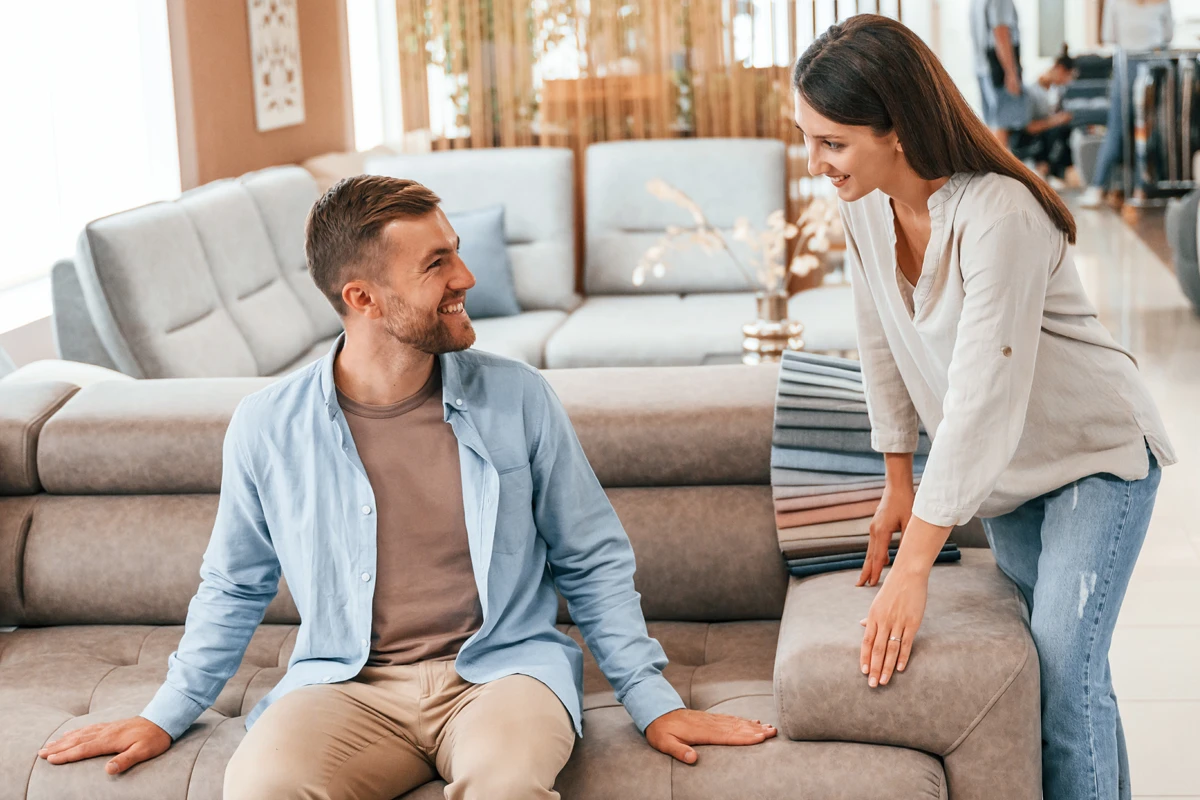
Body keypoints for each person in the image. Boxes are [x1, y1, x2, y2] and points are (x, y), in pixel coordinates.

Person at [34, 175, 776, 798]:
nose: (466, 278)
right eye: (438, 264)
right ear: (363, 298)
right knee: (259, 786)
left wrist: (651, 702)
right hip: (347, 688)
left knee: (508, 786)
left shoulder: (518, 399)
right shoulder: (267, 428)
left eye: (455, 253)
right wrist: (167, 712)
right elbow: (233, 586)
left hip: (502, 676)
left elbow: (590, 558)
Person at [792, 15, 1174, 800]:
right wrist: (898, 480)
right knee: (1060, 672)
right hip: (1008, 478)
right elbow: (880, 342)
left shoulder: (999, 214)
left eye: (831, 141)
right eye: (807, 138)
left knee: (1067, 675)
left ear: (895, 127)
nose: (814, 162)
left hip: (1094, 459)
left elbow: (978, 402)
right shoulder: (864, 208)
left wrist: (915, 568)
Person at [1079, 0, 1174, 209]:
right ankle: (1118, 187)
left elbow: (1108, 36)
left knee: (1139, 130)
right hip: (1138, 64)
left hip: (1149, 66)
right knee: (1135, 130)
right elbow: (1167, 35)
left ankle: (1129, 187)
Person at [1010, 46, 1077, 188]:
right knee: (1058, 129)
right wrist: (1056, 120)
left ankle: (1053, 172)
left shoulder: (1055, 91)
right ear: (1059, 69)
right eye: (1067, 76)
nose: (1067, 81)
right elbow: (1029, 127)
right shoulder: (1030, 91)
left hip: (1043, 140)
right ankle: (1042, 168)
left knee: (1066, 129)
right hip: (1028, 142)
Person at [970, 0, 1026, 145]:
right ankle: (1000, 167)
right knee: (1003, 123)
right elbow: (1000, 32)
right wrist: (1011, 73)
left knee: (993, 122)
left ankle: (993, 166)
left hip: (983, 66)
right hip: (998, 68)